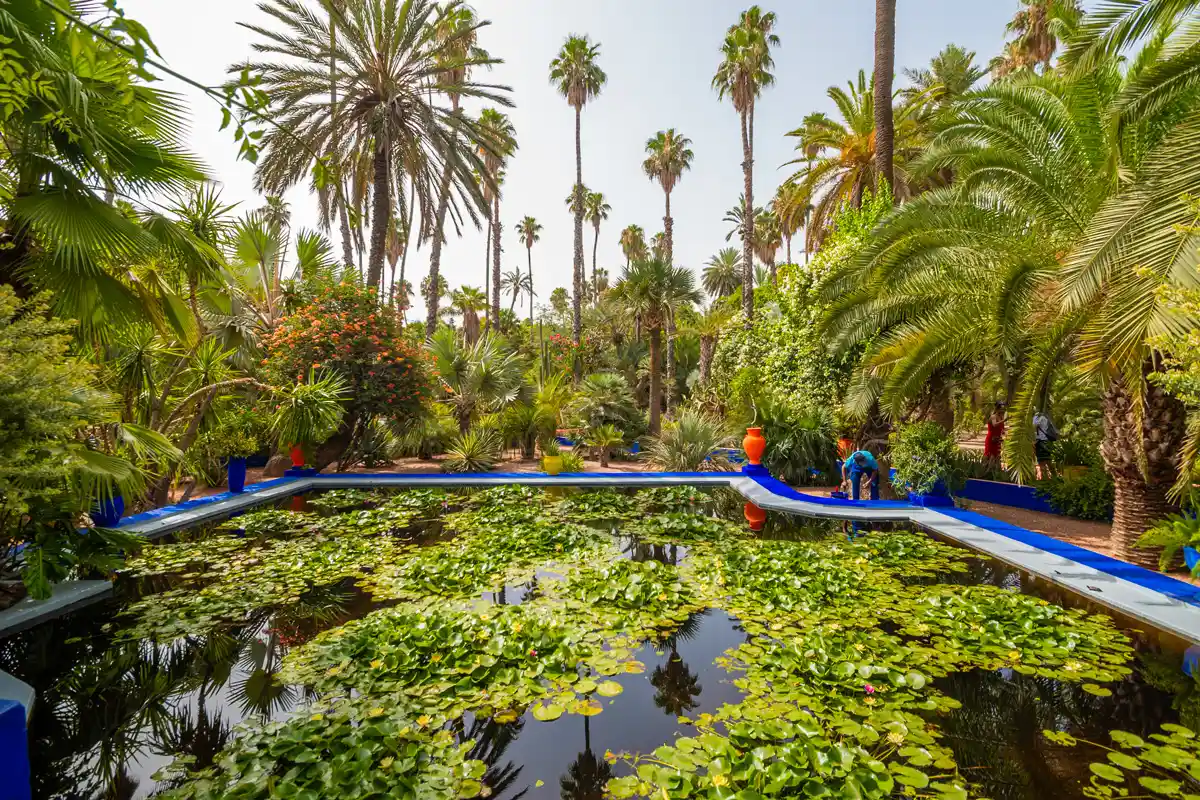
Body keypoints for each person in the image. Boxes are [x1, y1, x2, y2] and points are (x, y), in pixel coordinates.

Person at [1033, 408, 1054, 479]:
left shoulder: (1038, 417)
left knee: (1042, 462)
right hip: (1045, 441)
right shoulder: (1047, 417)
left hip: (1041, 442)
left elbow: (1034, 426)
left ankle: (1045, 479)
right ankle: (1053, 478)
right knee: (1048, 461)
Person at [984, 402, 1006, 470]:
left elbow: (1001, 428)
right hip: (991, 438)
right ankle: (986, 470)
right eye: (1001, 409)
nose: (1003, 410)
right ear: (997, 409)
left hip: (997, 439)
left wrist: (1004, 434)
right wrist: (1004, 420)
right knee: (990, 455)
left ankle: (995, 471)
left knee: (997, 455)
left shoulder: (1001, 417)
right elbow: (994, 424)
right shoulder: (993, 416)